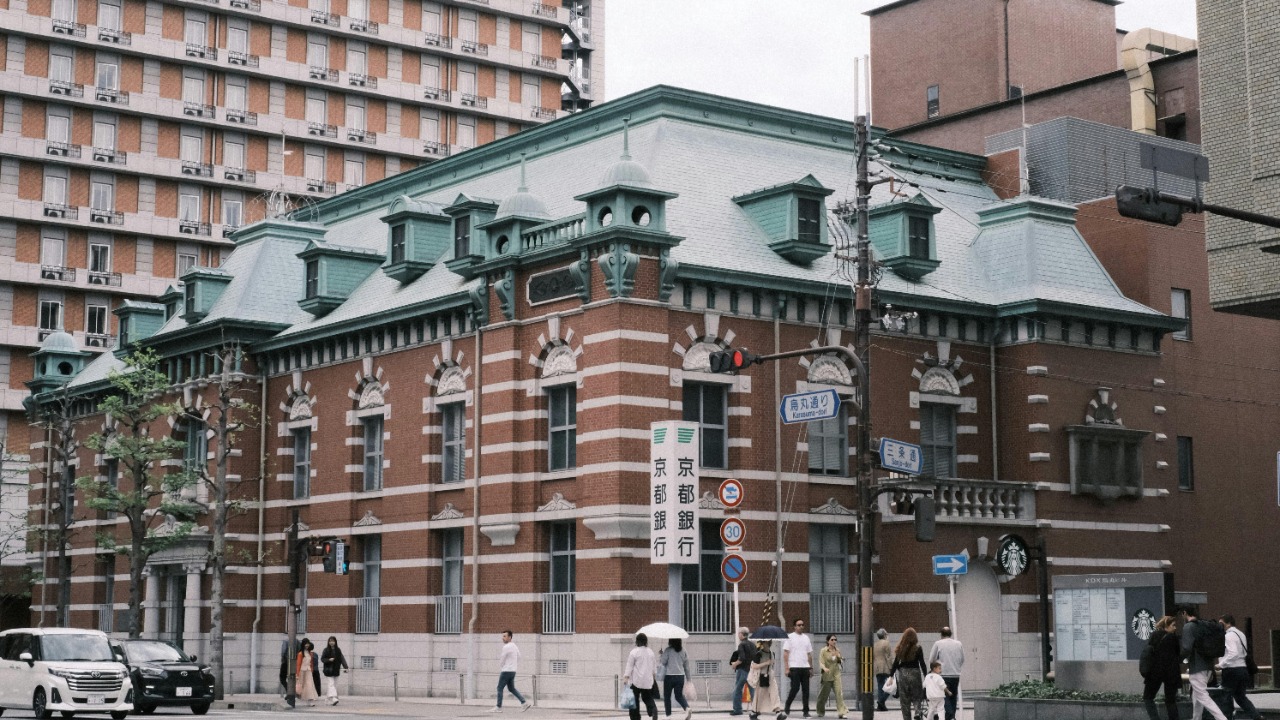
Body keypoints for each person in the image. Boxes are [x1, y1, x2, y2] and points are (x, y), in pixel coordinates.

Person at [1177, 605, 1228, 720]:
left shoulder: (1188, 627)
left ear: (1185, 613)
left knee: (1203, 696)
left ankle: (1222, 718)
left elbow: (1186, 648)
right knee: (1197, 696)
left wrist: (1178, 659)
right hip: (1208, 666)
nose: (1181, 617)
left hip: (1197, 667)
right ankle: (1196, 718)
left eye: (1181, 614)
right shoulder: (1204, 624)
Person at [1219, 615, 1263, 720]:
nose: (1220, 626)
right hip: (1243, 669)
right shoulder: (1241, 634)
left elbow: (1233, 653)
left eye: (1221, 623)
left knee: (1226, 696)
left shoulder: (1228, 635)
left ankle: (1227, 717)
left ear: (1228, 623)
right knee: (1240, 697)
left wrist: (1221, 664)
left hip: (1231, 670)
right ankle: (1256, 716)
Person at [1141, 615, 1182, 720]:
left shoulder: (1155, 635)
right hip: (1171, 673)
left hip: (1155, 672)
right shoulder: (1173, 638)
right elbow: (1178, 653)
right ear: (1166, 626)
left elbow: (1150, 651)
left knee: (1148, 697)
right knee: (1170, 700)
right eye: (1173, 625)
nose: (1175, 627)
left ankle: (1155, 718)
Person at [926, 627, 964, 720]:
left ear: (941, 634)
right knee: (953, 696)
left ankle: (950, 715)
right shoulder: (959, 644)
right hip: (955, 674)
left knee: (944, 696)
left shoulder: (938, 644)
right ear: (950, 634)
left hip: (943, 674)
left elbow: (931, 659)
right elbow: (962, 659)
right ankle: (952, 716)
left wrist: (935, 668)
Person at [890, 627, 927, 720]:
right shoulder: (918, 648)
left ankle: (907, 718)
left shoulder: (900, 648)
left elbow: (895, 663)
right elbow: (922, 663)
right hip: (915, 673)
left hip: (903, 674)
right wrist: (926, 675)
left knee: (904, 699)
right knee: (917, 695)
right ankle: (917, 712)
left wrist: (891, 675)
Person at [490, 630, 531, 713]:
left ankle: (498, 707)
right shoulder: (514, 646)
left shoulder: (506, 647)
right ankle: (524, 702)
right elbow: (519, 656)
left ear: (510, 637)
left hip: (506, 670)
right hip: (513, 670)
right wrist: (513, 664)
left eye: (505, 636)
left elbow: (502, 658)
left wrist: (503, 665)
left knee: (499, 688)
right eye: (503, 636)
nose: (503, 638)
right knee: (511, 688)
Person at [783, 619, 814, 718]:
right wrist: (787, 668)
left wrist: (811, 667)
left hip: (805, 667)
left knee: (806, 690)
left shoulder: (806, 638)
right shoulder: (790, 637)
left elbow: (809, 654)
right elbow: (786, 653)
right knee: (795, 688)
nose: (801, 626)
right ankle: (787, 705)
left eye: (802, 625)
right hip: (794, 667)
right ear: (794, 626)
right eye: (799, 625)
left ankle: (806, 711)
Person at [623, 632, 659, 720]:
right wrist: (653, 678)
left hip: (636, 680)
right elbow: (654, 668)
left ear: (637, 641)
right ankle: (653, 709)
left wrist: (626, 677)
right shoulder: (651, 652)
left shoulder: (634, 652)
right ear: (646, 641)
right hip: (647, 680)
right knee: (647, 697)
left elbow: (629, 666)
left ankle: (635, 717)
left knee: (634, 700)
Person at [748, 640, 783, 720]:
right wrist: (766, 663)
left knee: (775, 693)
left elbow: (772, 665)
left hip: (770, 676)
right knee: (759, 695)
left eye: (770, 642)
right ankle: (754, 712)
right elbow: (754, 666)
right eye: (767, 642)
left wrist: (770, 665)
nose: (769, 643)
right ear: (763, 643)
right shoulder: (758, 654)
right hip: (761, 676)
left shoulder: (772, 653)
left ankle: (778, 712)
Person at [659, 638, 692, 720]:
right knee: (679, 696)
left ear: (671, 641)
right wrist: (689, 679)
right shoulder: (683, 651)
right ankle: (687, 708)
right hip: (680, 676)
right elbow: (687, 667)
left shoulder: (668, 650)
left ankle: (668, 716)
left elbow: (663, 662)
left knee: (667, 696)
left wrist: (661, 654)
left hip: (669, 676)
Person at [815, 635, 847, 719]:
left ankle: (841, 712)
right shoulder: (823, 651)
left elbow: (840, 661)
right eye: (832, 640)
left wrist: (839, 657)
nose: (834, 641)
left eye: (835, 640)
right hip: (827, 674)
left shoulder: (837, 650)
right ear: (828, 641)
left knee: (839, 693)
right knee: (823, 695)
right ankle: (820, 711)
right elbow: (821, 662)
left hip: (836, 673)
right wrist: (824, 668)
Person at [731, 627, 755, 716]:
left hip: (742, 670)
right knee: (753, 690)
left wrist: (735, 664)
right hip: (751, 670)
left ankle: (737, 710)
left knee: (737, 690)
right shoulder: (753, 645)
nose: (738, 635)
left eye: (739, 633)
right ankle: (756, 709)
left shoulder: (742, 645)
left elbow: (742, 658)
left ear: (742, 634)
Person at [320, 636, 348, 706]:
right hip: (328, 670)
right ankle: (334, 698)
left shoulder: (338, 650)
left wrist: (346, 667)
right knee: (331, 684)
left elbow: (342, 658)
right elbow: (322, 659)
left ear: (335, 642)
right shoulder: (326, 650)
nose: (331, 642)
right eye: (330, 641)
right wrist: (329, 660)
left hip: (336, 669)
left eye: (333, 641)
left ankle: (327, 699)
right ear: (328, 642)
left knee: (333, 685)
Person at [295, 638, 320, 706]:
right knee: (302, 686)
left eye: (308, 643)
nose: (307, 645)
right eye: (305, 643)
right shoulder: (300, 654)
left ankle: (310, 700)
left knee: (309, 685)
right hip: (301, 671)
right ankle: (301, 697)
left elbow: (311, 663)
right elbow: (298, 664)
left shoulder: (310, 653)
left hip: (308, 671)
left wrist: (311, 670)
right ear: (303, 644)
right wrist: (297, 674)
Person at [873, 629, 893, 712]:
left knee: (880, 686)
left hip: (877, 667)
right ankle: (881, 701)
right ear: (885, 635)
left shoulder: (875, 644)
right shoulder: (886, 643)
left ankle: (881, 706)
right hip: (885, 667)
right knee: (890, 687)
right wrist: (891, 668)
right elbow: (888, 657)